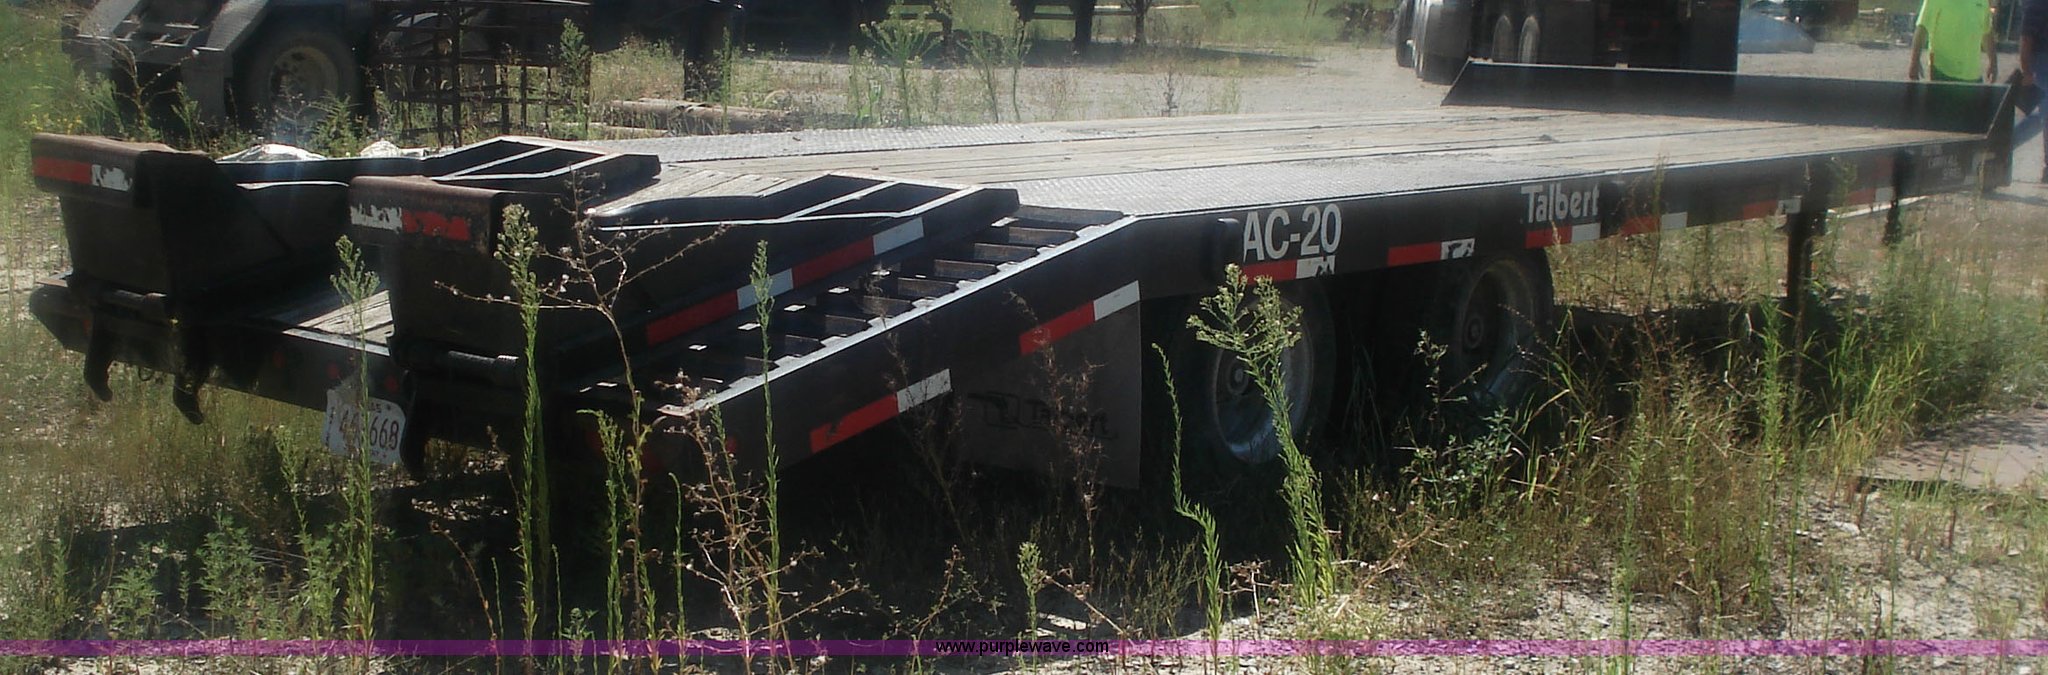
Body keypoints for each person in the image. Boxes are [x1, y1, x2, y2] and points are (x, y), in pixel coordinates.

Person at [1910, 0, 1998, 82]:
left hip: (1973, 75)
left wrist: (1993, 62)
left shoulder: (1983, 1)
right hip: (1942, 72)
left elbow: (1986, 31)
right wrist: (1914, 62)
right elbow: (1923, 27)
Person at [2016, 0, 2048, 181]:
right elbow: (2026, 38)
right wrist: (2026, 70)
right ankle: (2001, 145)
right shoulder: (2037, 4)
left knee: (2042, 116)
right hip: (2042, 63)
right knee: (2041, 115)